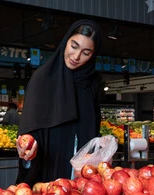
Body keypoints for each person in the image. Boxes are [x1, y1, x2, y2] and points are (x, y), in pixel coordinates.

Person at [16, 19, 102, 186]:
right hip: (49, 178)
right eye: (74, 46)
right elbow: (30, 131)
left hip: (83, 181)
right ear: (65, 42)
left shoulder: (92, 84)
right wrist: (27, 152)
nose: (76, 56)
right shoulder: (42, 79)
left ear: (93, 55)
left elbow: (92, 130)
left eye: (86, 52)